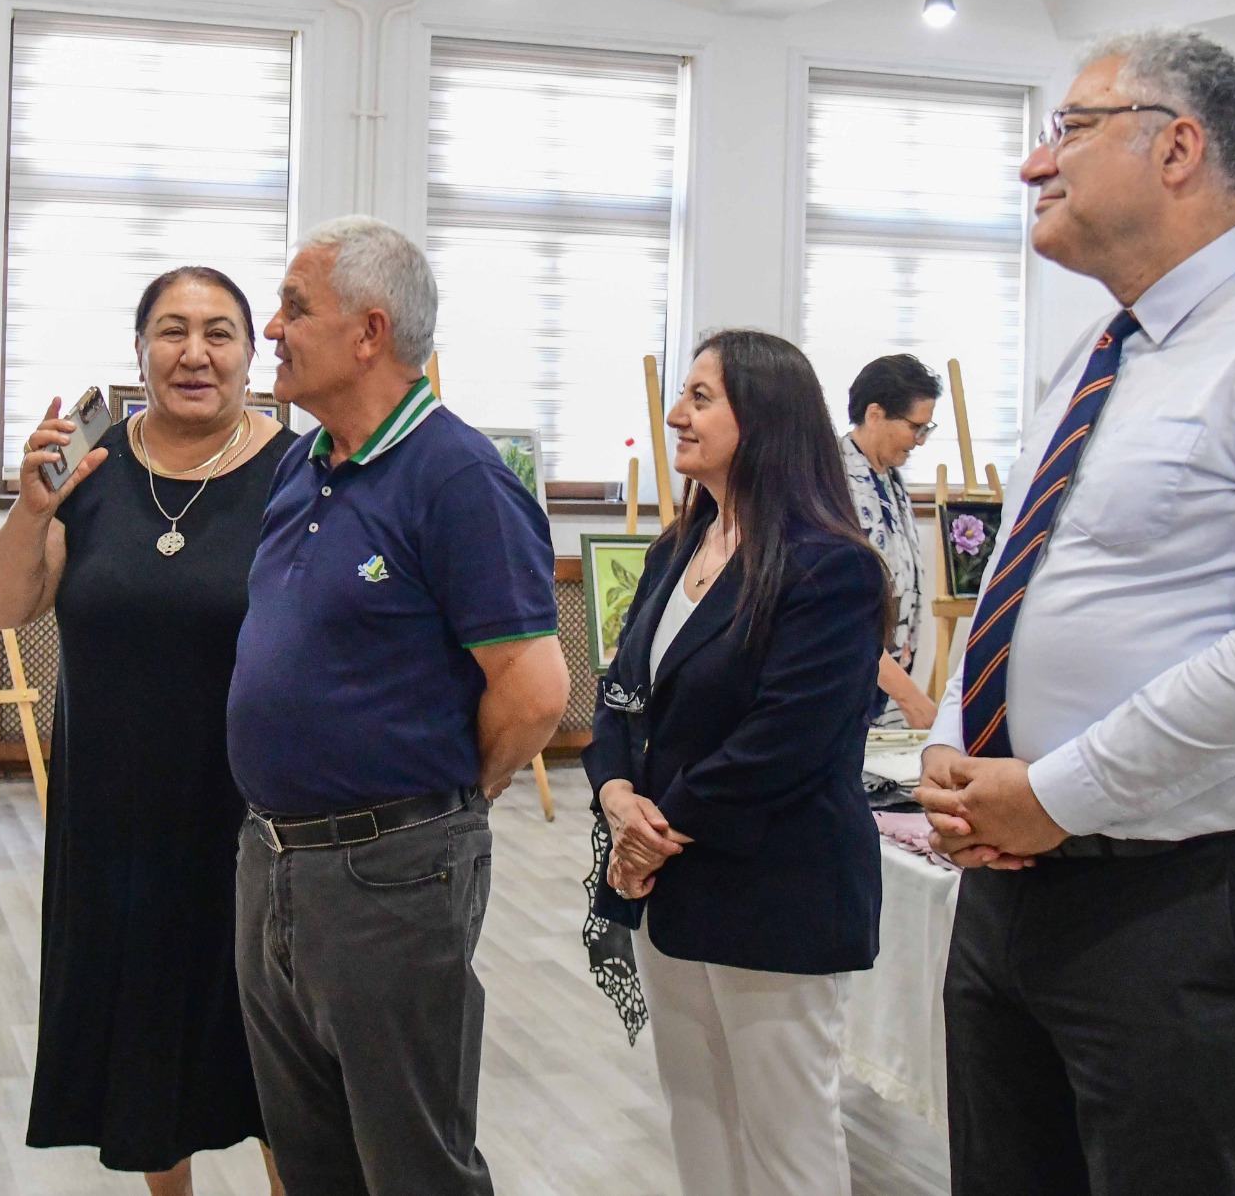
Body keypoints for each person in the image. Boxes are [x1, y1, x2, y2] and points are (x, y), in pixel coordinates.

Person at [917, 29, 1235, 1196]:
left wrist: (1053, 791)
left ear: (1178, 147)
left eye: (1070, 129)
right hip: (1011, 866)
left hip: (1183, 887)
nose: (1034, 166)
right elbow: (1020, 573)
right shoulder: (1098, 351)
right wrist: (958, 741)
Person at [227, 215, 567, 1196]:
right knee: (309, 1156)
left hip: (389, 873)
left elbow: (536, 691)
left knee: (412, 1163)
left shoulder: (458, 477)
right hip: (275, 859)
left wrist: (440, 812)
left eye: (294, 307)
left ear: (369, 332)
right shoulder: (305, 461)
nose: (272, 329)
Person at [0, 267, 288, 1195]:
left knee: (274, 1063)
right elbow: (1, 607)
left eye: (219, 332)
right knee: (144, 1054)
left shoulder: (300, 474)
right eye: (172, 330)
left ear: (251, 354)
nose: (195, 353)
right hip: (114, 822)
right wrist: (33, 507)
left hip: (255, 820)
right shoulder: (91, 472)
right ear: (141, 349)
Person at [585, 330, 889, 1196]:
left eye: (701, 397)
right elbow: (619, 694)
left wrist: (654, 831)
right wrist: (613, 793)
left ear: (766, 418)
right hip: (672, 886)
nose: (677, 414)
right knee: (701, 1117)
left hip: (776, 889)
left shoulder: (830, 570)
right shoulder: (675, 548)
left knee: (785, 1137)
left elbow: (782, 742)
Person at [840, 354, 941, 728]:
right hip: (847, 683)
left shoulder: (889, 478)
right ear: (875, 415)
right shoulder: (832, 479)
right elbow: (843, 612)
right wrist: (909, 697)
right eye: (916, 427)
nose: (920, 440)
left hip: (887, 684)